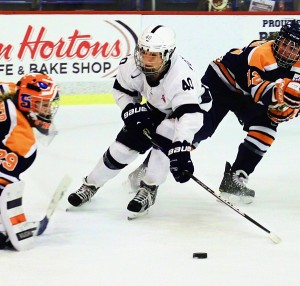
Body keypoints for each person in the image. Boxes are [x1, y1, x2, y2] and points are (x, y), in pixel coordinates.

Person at [127, 19, 300, 204]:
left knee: (267, 128)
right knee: (199, 128)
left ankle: (236, 177)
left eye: (294, 48)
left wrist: (293, 109)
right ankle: (147, 168)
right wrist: (281, 93)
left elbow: (291, 98)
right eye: (285, 44)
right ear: (278, 39)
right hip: (221, 82)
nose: (287, 51)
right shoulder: (261, 53)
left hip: (247, 94)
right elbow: (258, 91)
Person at [68, 25, 211, 219]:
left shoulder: (181, 75)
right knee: (123, 148)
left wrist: (181, 149)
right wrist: (130, 109)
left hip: (193, 110)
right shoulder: (131, 65)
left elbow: (189, 116)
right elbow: (121, 91)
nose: (146, 60)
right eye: (143, 53)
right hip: (157, 106)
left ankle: (149, 189)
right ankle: (90, 184)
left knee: (165, 138)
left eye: (153, 55)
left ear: (167, 54)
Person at [0, 73, 60, 250]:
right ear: (26, 102)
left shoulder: (8, 88)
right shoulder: (23, 141)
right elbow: (5, 188)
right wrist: (15, 227)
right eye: (43, 104)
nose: (48, 111)